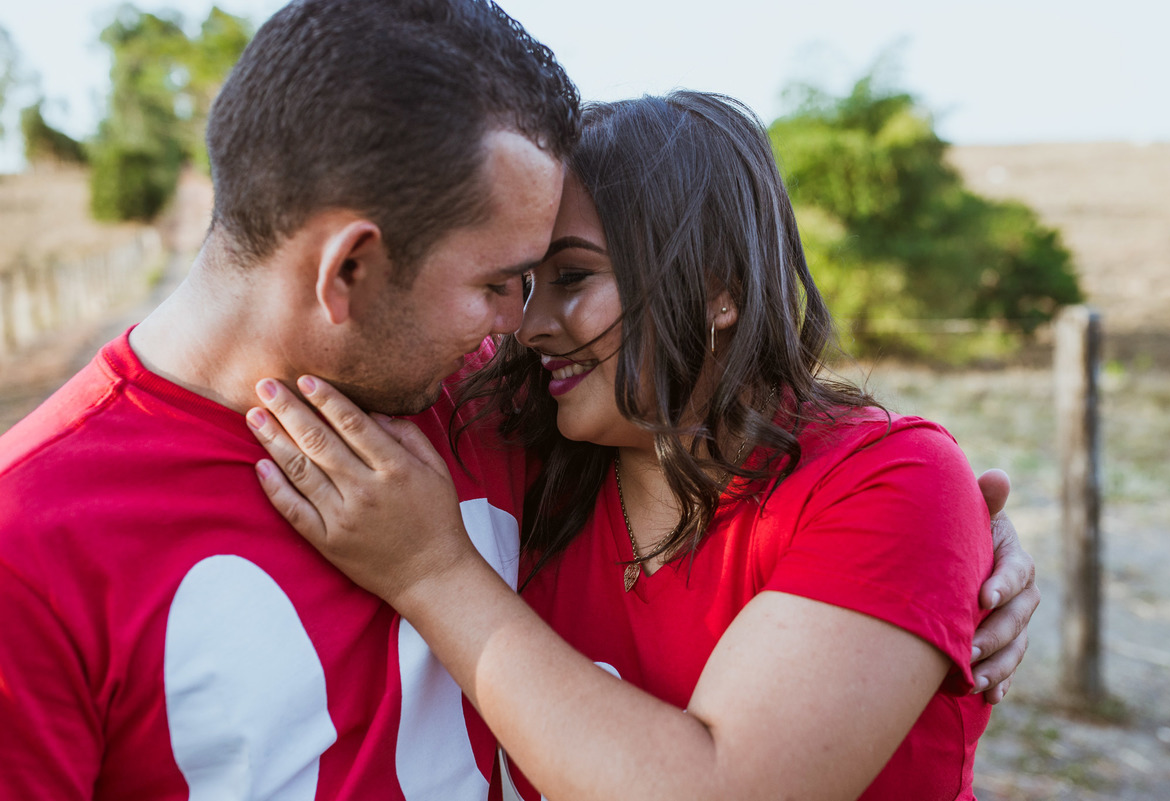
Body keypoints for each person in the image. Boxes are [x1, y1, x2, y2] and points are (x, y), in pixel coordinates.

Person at [247, 91, 1039, 800]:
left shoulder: (884, 482)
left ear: (720, 286)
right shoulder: (524, 442)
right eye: (523, 283)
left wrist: (432, 573)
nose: (529, 326)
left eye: (573, 278)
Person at [0, 1, 578, 797]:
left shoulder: (506, 401)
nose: (516, 323)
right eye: (494, 283)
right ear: (349, 270)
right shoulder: (27, 547)